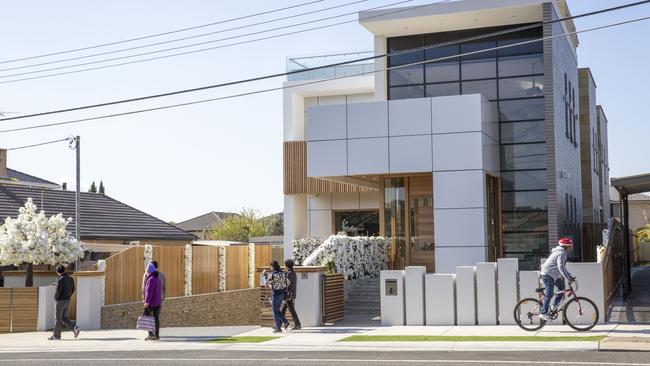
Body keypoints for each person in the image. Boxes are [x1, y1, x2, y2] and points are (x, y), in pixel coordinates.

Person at [539, 237, 576, 322]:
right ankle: (543, 313)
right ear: (565, 246)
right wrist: (568, 278)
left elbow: (562, 267)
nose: (571, 248)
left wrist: (569, 276)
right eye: (569, 246)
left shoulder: (561, 252)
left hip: (552, 275)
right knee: (550, 292)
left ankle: (554, 305)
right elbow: (561, 267)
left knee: (561, 287)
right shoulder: (561, 253)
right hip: (547, 274)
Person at [49, 265, 80, 340]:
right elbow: (73, 289)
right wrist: (68, 296)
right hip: (67, 300)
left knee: (58, 319)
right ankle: (74, 327)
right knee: (64, 318)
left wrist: (56, 298)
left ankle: (56, 336)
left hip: (60, 301)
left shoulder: (60, 279)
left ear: (57, 271)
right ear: (64, 270)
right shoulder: (70, 278)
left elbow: (58, 291)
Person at [262, 260, 289, 333]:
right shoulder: (282, 273)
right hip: (282, 294)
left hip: (276, 294)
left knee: (275, 311)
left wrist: (264, 275)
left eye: (270, 266)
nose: (270, 268)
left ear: (273, 267)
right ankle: (283, 323)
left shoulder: (273, 275)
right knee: (277, 310)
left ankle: (280, 327)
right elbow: (288, 283)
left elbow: (266, 284)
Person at [143, 262, 163, 340]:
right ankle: (157, 335)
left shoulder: (151, 280)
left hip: (151, 303)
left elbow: (149, 292)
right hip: (158, 302)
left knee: (147, 318)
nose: (147, 272)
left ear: (149, 271)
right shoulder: (158, 280)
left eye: (147, 271)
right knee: (156, 319)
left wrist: (146, 302)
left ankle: (150, 334)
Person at [280, 259, 301, 330]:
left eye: (284, 265)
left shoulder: (290, 273)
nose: (284, 266)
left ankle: (297, 324)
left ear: (286, 265)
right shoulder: (290, 272)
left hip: (289, 295)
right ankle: (280, 324)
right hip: (289, 295)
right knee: (282, 310)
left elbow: (286, 283)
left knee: (291, 310)